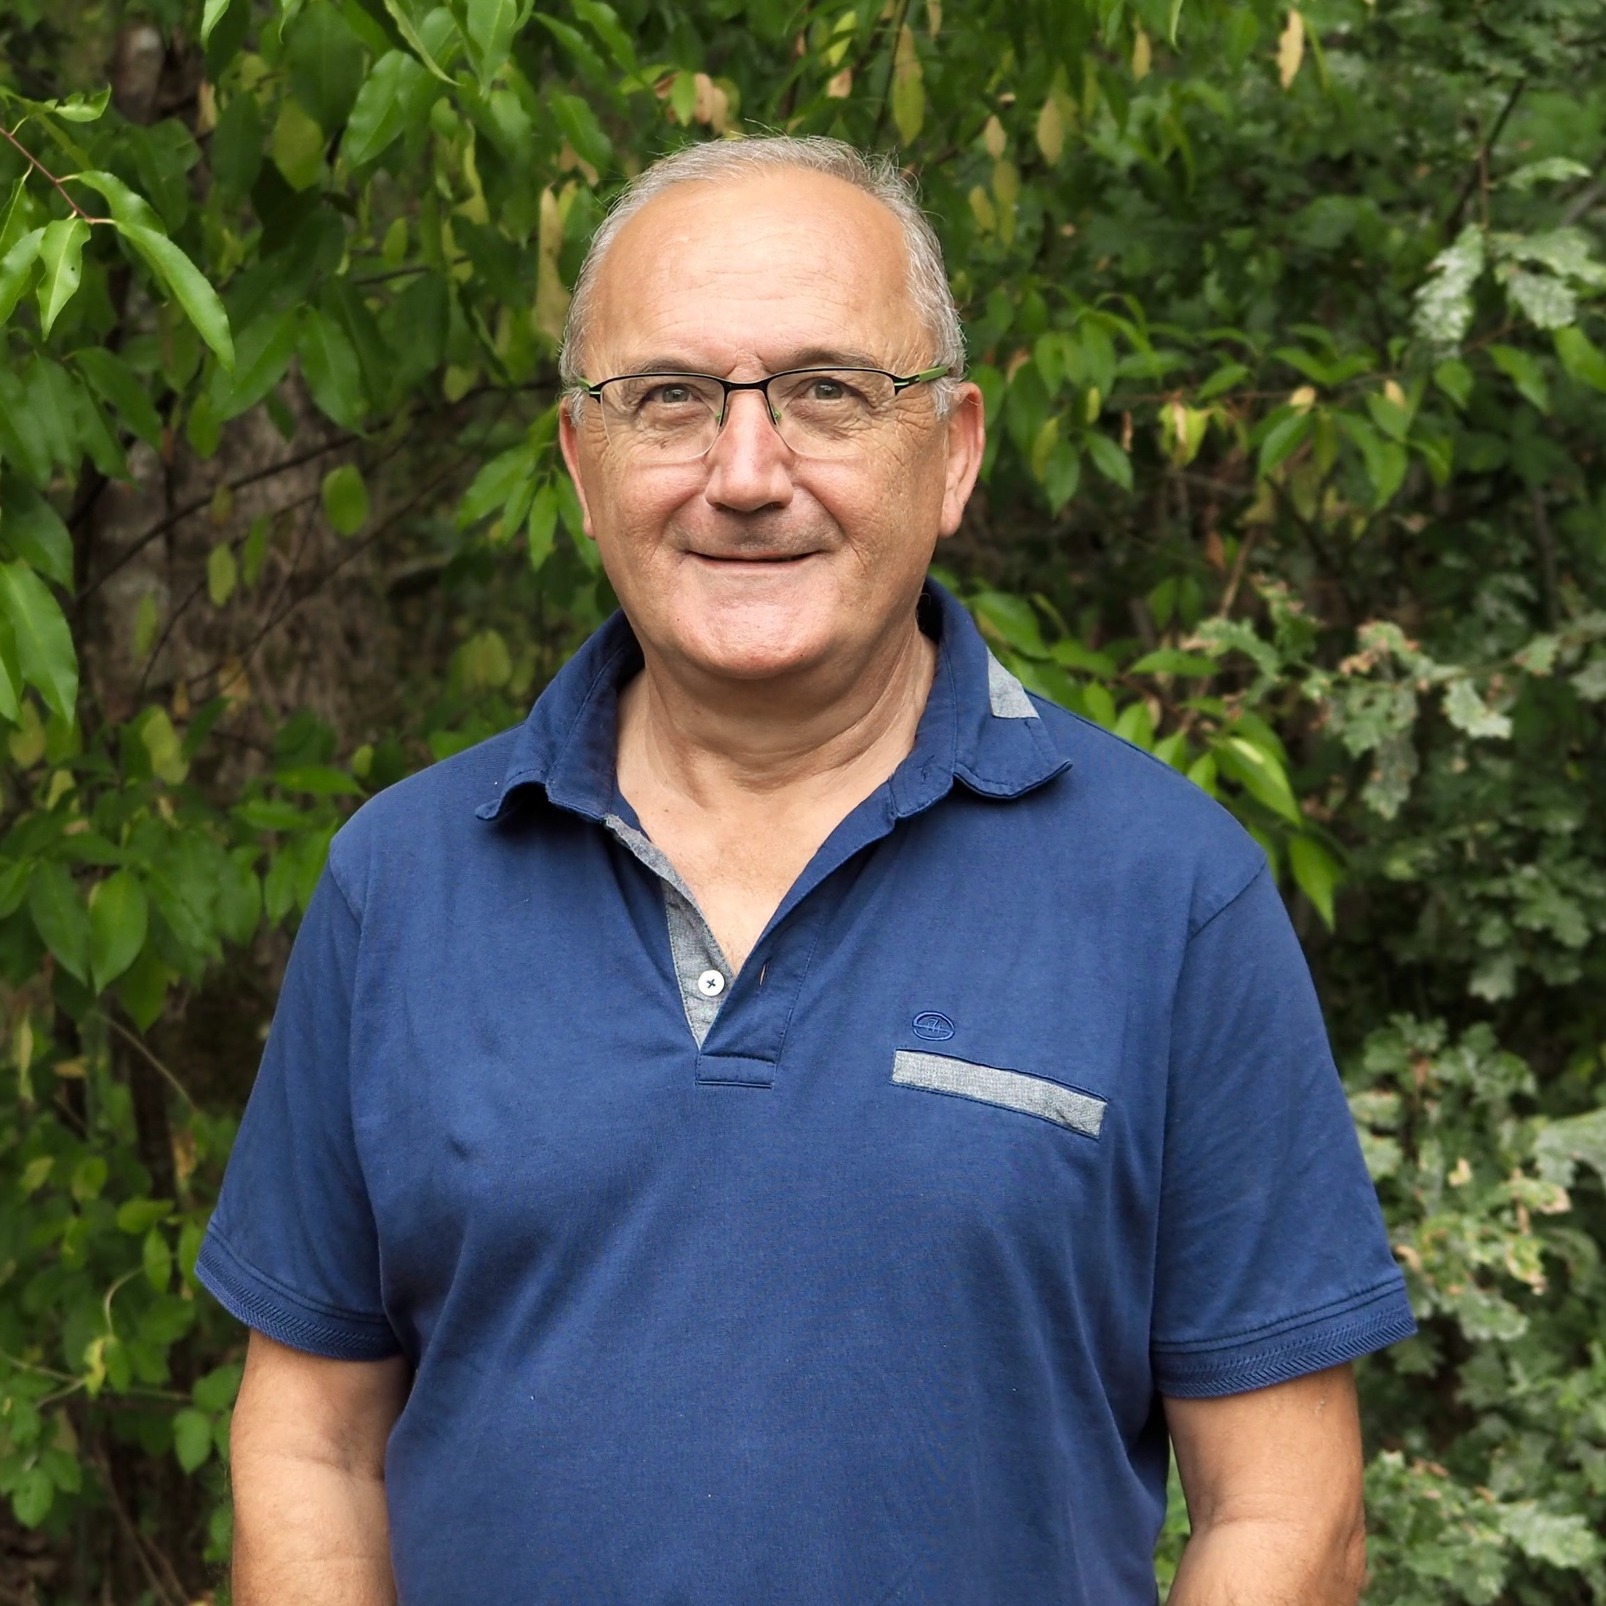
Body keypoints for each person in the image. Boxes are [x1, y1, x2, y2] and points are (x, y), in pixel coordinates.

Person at [198, 136, 1415, 1605]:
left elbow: (1285, 1513)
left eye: (828, 390)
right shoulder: (398, 882)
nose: (745, 473)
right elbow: (310, 1449)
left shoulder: (1168, 893)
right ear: (580, 463)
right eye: (669, 398)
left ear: (952, 450)